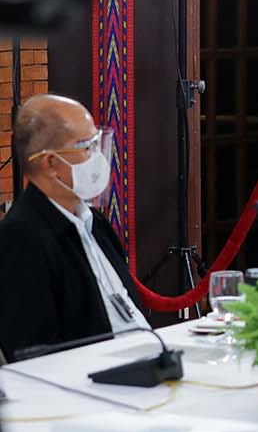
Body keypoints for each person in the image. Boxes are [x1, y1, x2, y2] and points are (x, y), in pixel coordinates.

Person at [0, 95, 149, 361]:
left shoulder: (96, 224)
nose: (97, 157)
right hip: (92, 384)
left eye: (96, 144)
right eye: (86, 147)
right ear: (50, 164)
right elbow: (34, 353)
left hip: (143, 359)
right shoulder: (20, 238)